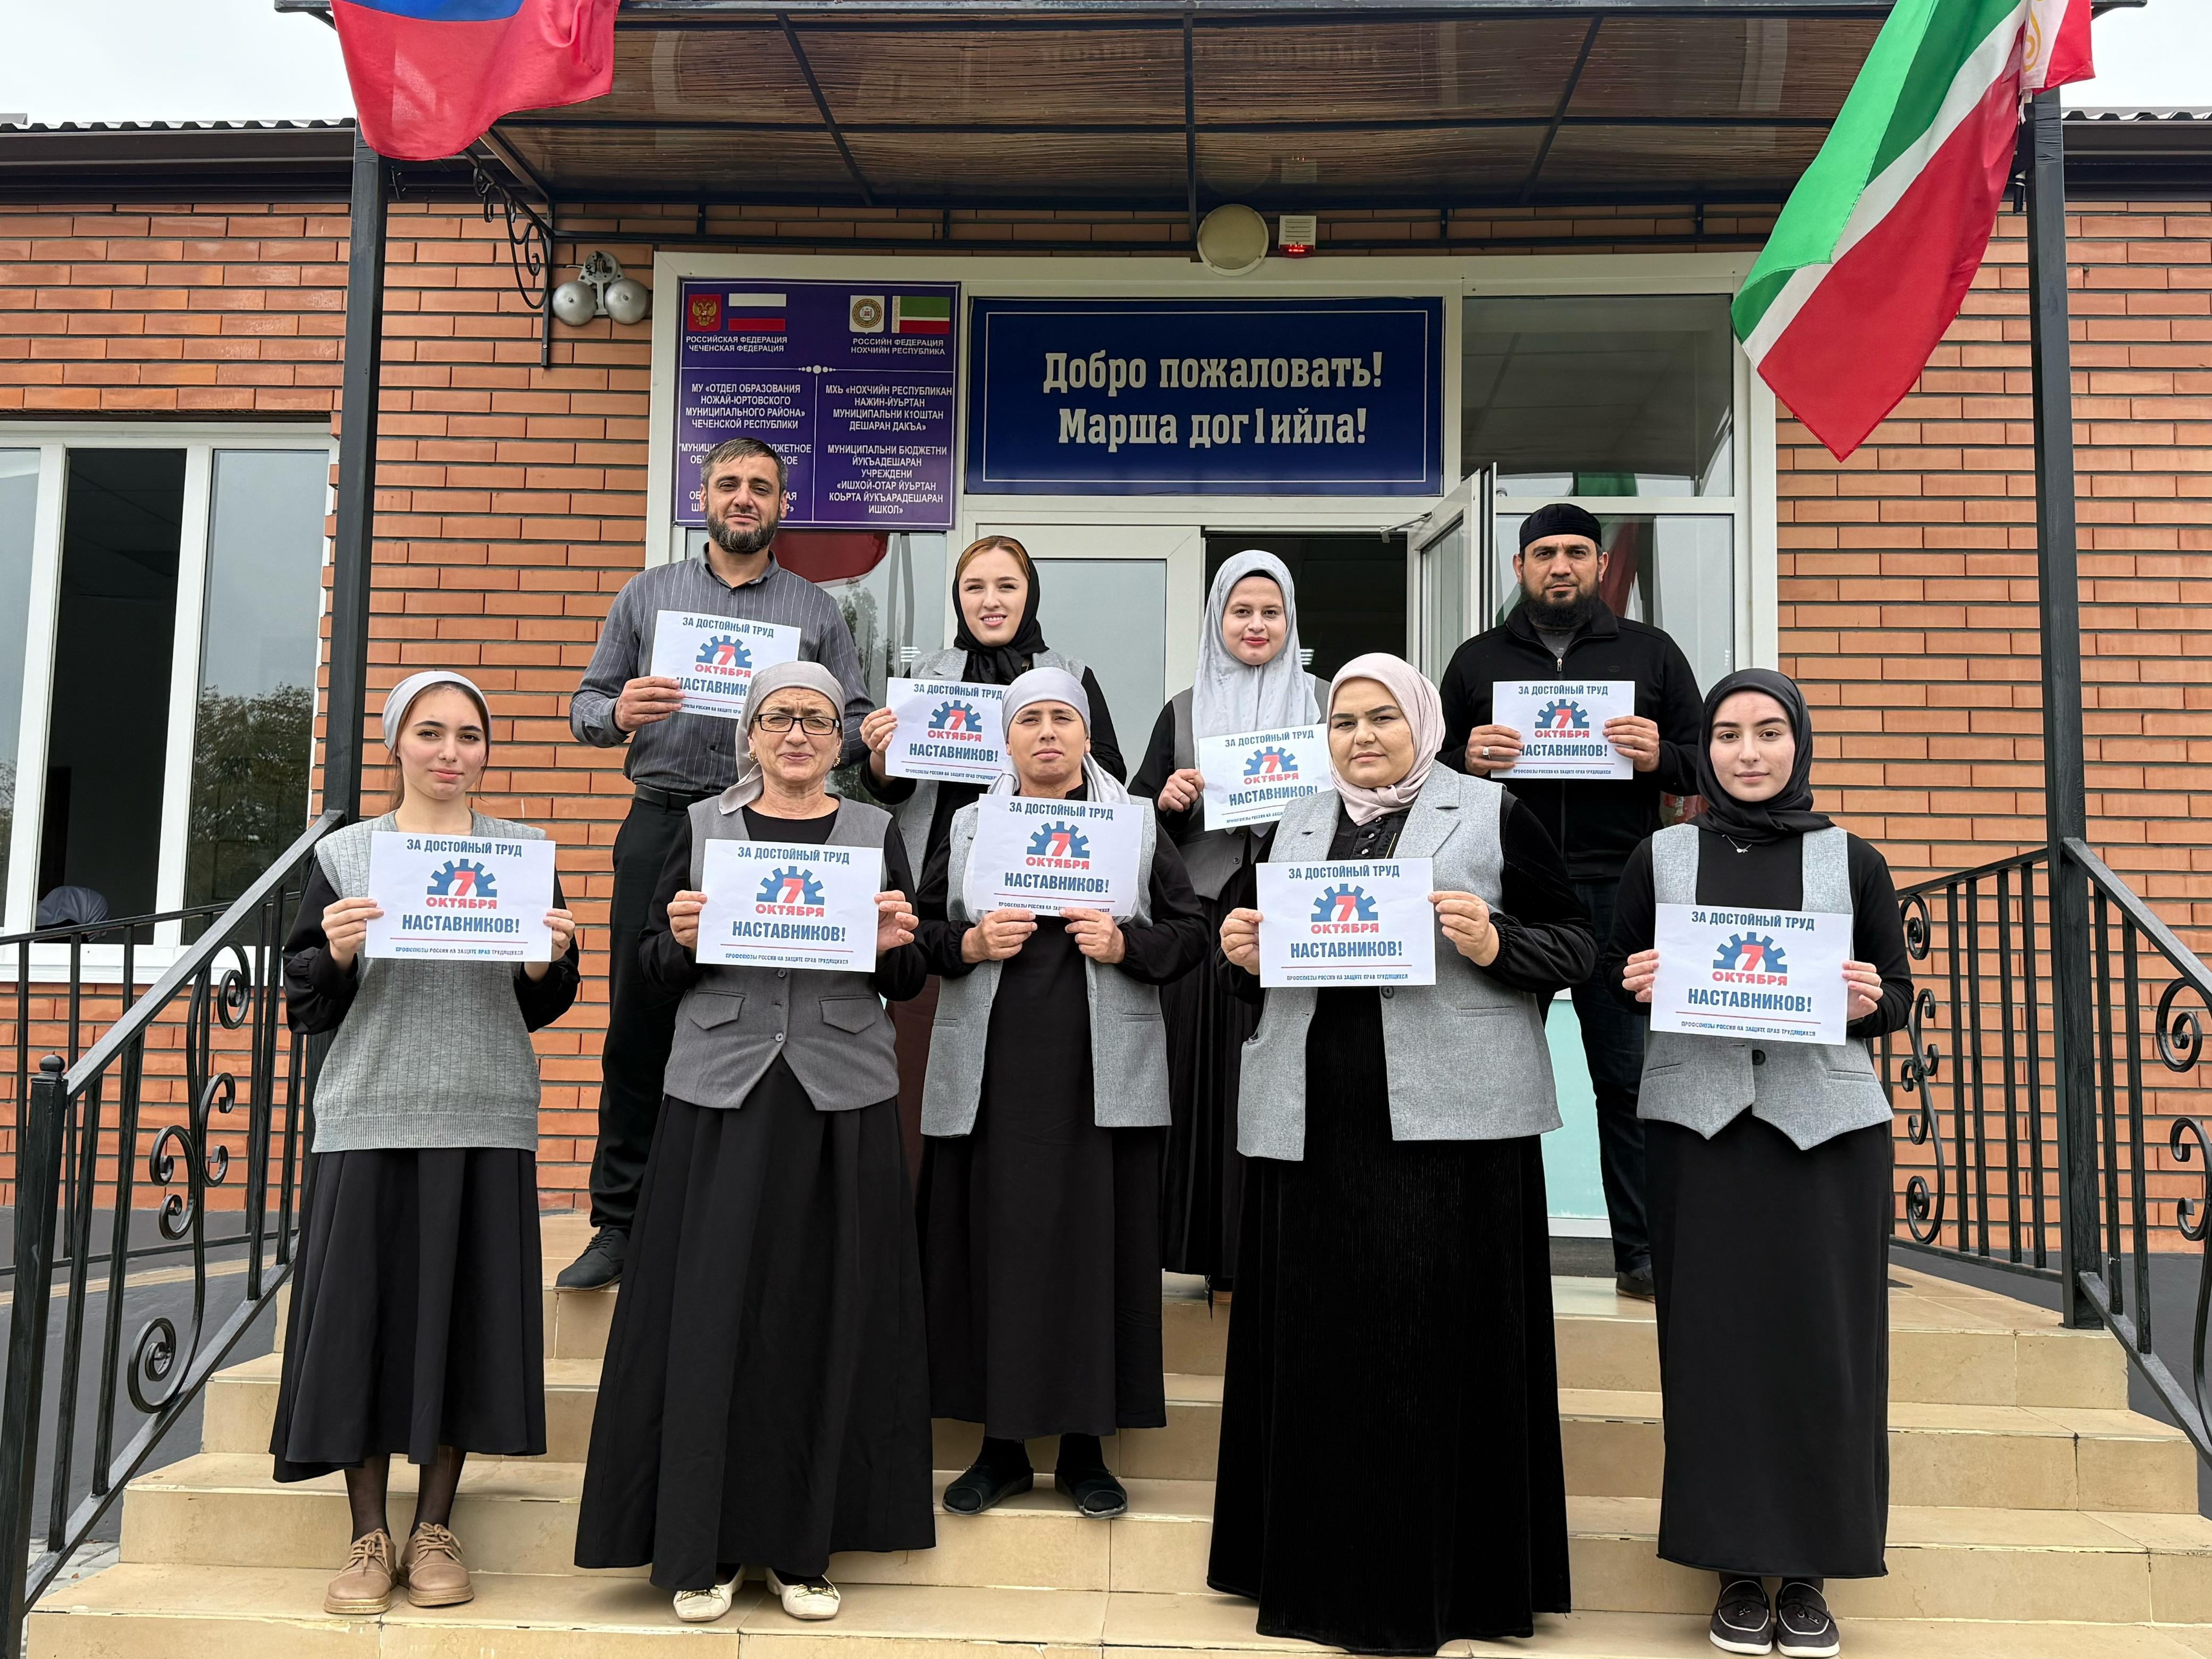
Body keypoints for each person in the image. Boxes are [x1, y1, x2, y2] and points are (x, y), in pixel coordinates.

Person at [1210, 653, 1591, 1656]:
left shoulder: (1495, 813)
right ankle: (1311, 1574)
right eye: (1344, 722)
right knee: (1324, 1350)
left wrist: (1496, 943)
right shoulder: (1296, 821)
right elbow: (1257, 960)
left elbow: (1576, 944)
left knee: (1427, 1346)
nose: (1363, 737)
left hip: (1450, 1129)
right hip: (1315, 1120)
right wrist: (1240, 954)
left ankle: (1449, 1586)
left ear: (1423, 723)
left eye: (1383, 717)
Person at [573, 661, 933, 1626]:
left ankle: (803, 1548)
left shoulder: (875, 833)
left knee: (823, 1318)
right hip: (723, 1092)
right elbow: (650, 971)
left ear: (840, 737)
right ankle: (711, 1544)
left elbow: (905, 976)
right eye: (779, 717)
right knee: (713, 1317)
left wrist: (899, 946)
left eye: (817, 718)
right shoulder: (700, 829)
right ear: (750, 733)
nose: (799, 734)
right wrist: (680, 939)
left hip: (840, 1097)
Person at [1602, 667, 1912, 1659]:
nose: (1748, 752)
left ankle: (1812, 1574)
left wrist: (1871, 1001)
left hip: (1826, 1139)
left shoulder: (1852, 859)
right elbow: (1611, 973)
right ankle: (1734, 1567)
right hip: (1700, 1137)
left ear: (1799, 744)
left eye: (1769, 732)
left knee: (1825, 1352)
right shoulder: (1659, 855)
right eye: (1728, 734)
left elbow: (1898, 993)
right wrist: (1636, 978)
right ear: (1705, 752)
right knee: (1714, 1353)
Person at [272, 671, 581, 1618]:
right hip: (371, 1112)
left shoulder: (523, 853)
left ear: (487, 751)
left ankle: (435, 1526)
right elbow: (305, 1000)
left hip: (485, 1111)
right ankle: (369, 1535)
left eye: (469, 735)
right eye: (431, 732)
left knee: (463, 1324)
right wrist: (336, 951)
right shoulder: (346, 856)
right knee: (362, 1328)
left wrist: (547, 964)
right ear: (395, 744)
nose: (451, 751)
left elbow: (545, 1000)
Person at [563, 435, 872, 1291]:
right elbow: (585, 705)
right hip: (663, 821)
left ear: (782, 506)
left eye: (761, 487)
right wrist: (619, 712)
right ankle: (621, 1222)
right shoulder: (646, 594)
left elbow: (854, 722)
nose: (744, 498)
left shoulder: (816, 610)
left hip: (772, 830)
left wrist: (822, 739)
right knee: (639, 1023)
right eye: (729, 483)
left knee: (763, 1014)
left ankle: (733, 1210)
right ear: (702, 496)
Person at [912, 666, 1207, 1520]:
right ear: (1006, 740)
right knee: (996, 1248)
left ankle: (1086, 1449)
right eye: (1029, 720)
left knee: (1095, 1252)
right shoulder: (970, 825)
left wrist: (1126, 946)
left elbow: (1190, 934)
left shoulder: (1136, 824)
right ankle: (1000, 1449)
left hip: (1100, 1076)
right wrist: (969, 943)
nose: (1047, 733)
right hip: (995, 1075)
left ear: (1086, 735)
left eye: (1062, 719)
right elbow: (922, 937)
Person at [1436, 502, 1705, 1300]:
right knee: (1484, 1073)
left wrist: (1661, 757)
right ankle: (1477, 1252)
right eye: (1546, 553)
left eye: (1578, 553)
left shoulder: (1651, 653)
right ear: (1519, 567)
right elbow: (1427, 770)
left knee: (1624, 1078)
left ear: (1599, 565)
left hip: (1618, 888)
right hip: (1504, 890)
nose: (1562, 566)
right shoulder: (1476, 660)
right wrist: (1464, 757)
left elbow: (1706, 760)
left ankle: (1643, 1256)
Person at [861, 535, 1126, 1177]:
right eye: (974, 587)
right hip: (940, 904)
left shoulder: (1070, 674)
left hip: (1048, 899)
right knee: (926, 1076)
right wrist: (879, 756)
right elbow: (889, 788)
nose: (990, 600)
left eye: (1006, 586)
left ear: (1029, 595)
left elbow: (1109, 775)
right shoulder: (926, 676)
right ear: (957, 598)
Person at [1129, 550, 1325, 1288]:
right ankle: (1209, 1250)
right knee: (1202, 1085)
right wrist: (1167, 802)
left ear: (1291, 620)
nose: (1255, 625)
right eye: (1240, 611)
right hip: (1207, 917)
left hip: (1299, 917)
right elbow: (1135, 823)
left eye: (1270, 612)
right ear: (1217, 618)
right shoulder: (1182, 710)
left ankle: (1279, 1246)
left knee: (1286, 1075)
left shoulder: (1327, 702)